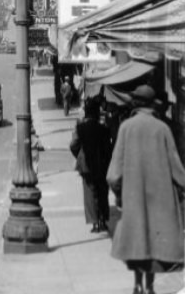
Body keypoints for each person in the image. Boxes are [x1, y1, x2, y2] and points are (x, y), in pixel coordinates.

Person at [107, 84, 185, 294]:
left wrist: (119, 193)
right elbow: (177, 168)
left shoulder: (126, 127)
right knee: (152, 244)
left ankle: (137, 284)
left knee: (137, 243)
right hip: (160, 200)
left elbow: (113, 174)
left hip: (134, 198)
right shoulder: (162, 129)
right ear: (152, 104)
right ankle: (150, 286)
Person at [69, 98, 113, 233]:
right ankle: (103, 220)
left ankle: (94, 222)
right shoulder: (104, 129)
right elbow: (108, 148)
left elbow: (73, 145)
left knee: (89, 193)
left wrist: (80, 156)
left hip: (86, 165)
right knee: (102, 192)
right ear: (97, 113)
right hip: (102, 164)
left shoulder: (81, 128)